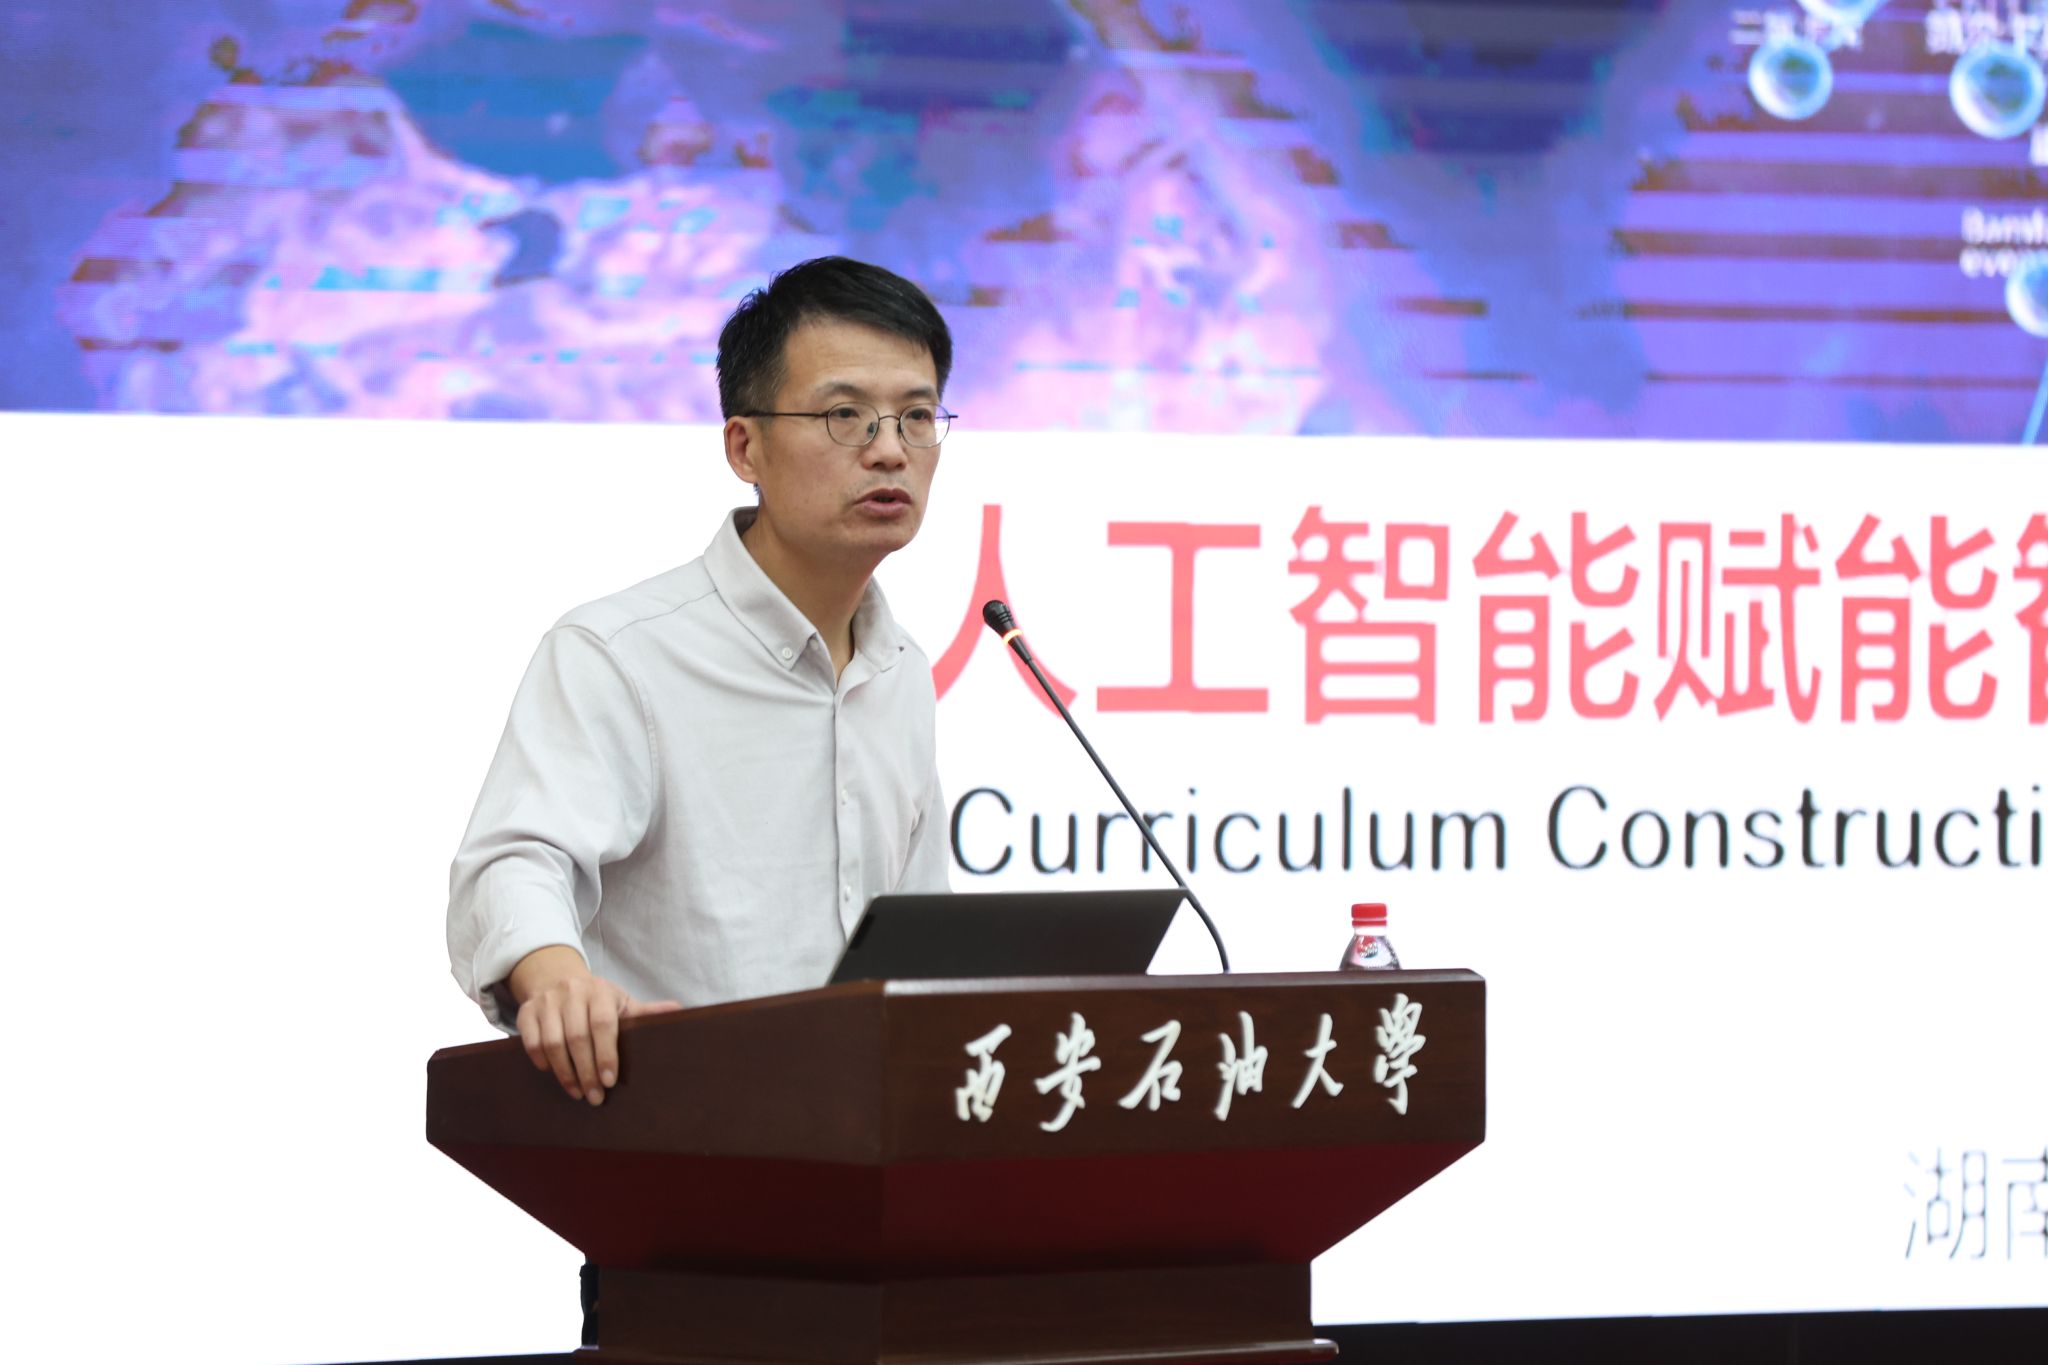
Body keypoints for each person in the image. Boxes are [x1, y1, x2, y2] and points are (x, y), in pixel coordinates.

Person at [446, 255, 957, 1111]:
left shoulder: (900, 670)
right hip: (681, 1135)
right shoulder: (620, 652)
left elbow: (923, 941)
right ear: (744, 446)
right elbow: (514, 859)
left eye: (916, 416)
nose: (889, 450)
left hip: (863, 1139)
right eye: (845, 415)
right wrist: (557, 978)